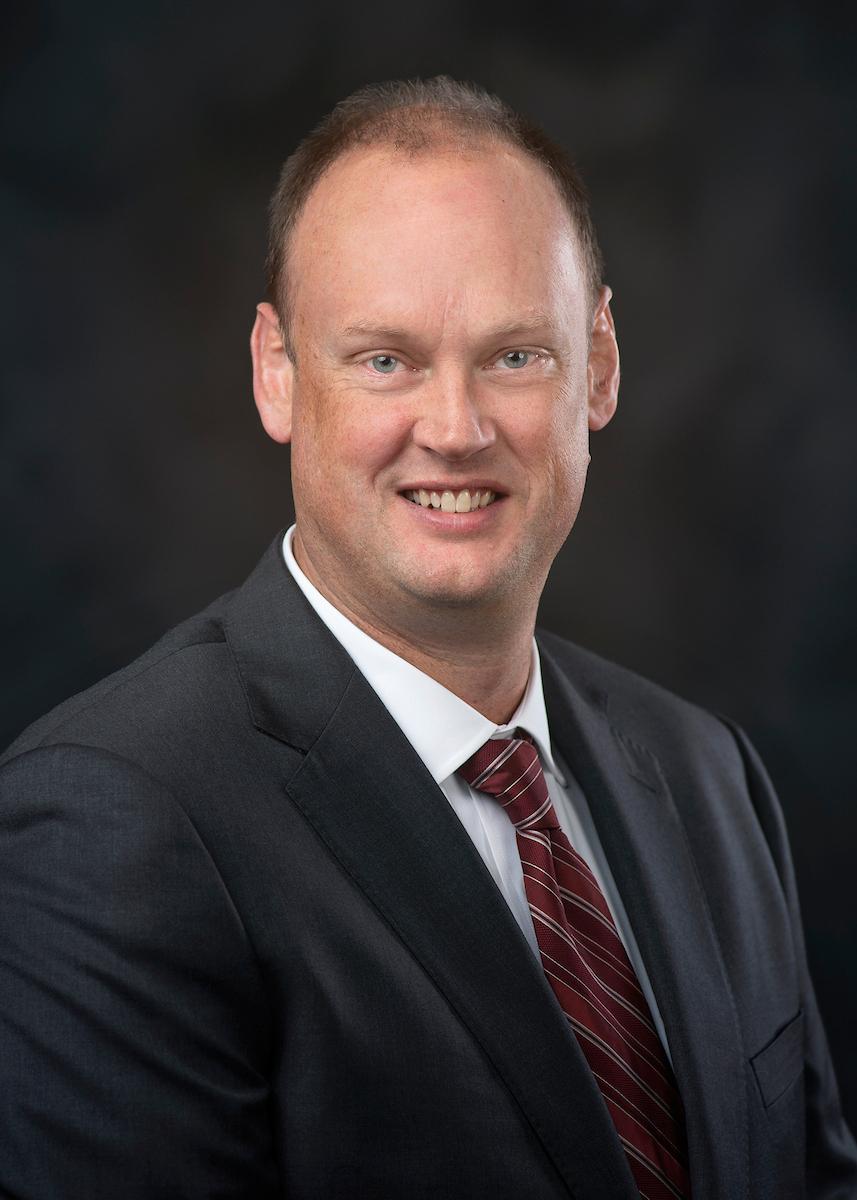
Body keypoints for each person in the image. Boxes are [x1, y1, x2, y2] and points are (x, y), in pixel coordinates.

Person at [1, 76, 854, 1200]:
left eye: (514, 355)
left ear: (597, 365)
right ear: (275, 374)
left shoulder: (706, 775)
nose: (454, 430)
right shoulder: (113, 821)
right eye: (384, 360)